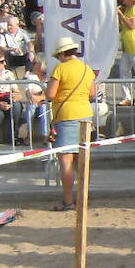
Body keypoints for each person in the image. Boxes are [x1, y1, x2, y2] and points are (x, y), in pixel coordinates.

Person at [46, 37, 98, 211]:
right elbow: (92, 93)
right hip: (85, 114)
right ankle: (83, 199)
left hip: (66, 115)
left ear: (62, 53)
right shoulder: (86, 68)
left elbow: (51, 94)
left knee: (66, 162)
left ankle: (68, 201)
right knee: (82, 161)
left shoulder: (60, 68)